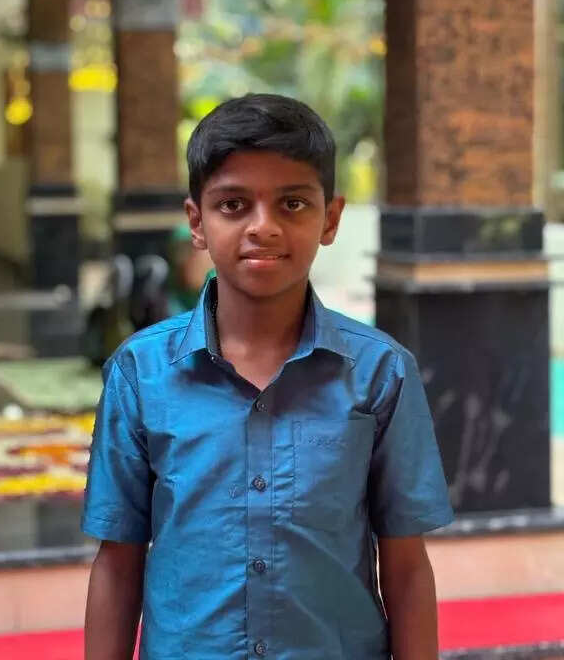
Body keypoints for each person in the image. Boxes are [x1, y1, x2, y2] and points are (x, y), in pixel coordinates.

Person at [82, 93, 454, 660]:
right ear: (197, 222)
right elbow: (117, 562)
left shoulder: (381, 373)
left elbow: (405, 568)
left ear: (330, 218)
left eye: (292, 203)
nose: (264, 227)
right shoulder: (140, 373)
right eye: (233, 205)